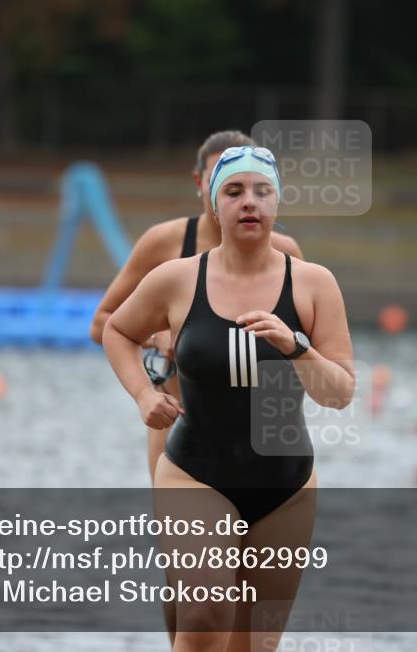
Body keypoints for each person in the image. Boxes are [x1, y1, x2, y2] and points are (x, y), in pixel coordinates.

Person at [103, 146, 355, 651]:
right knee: (202, 620)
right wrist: (141, 393)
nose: (249, 203)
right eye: (234, 192)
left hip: (285, 485)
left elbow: (340, 393)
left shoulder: (313, 283)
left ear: (277, 204)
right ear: (213, 206)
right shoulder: (176, 278)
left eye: (262, 191)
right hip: (196, 471)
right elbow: (116, 330)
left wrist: (295, 345)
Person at [88, 130, 304, 481]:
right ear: (202, 181)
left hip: (266, 435)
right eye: (226, 179)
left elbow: (315, 349)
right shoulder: (164, 243)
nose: (242, 194)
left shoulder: (287, 252)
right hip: (181, 423)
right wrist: (158, 339)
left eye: (254, 184)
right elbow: (103, 324)